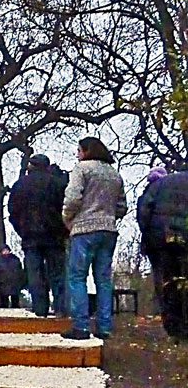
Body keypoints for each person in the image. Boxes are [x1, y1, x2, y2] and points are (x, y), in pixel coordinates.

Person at [62, 136, 127, 340]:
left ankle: (81, 326)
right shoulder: (114, 174)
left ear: (86, 151)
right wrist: (109, 216)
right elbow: (122, 207)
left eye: (79, 150)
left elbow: (73, 198)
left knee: (77, 276)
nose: (77, 154)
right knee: (103, 279)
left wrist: (67, 217)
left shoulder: (81, 169)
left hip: (83, 229)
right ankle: (104, 327)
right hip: (108, 230)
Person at [8, 153, 69, 317]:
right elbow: (67, 208)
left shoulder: (19, 185)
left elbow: (12, 212)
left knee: (35, 275)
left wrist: (21, 230)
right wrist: (64, 230)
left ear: (31, 166)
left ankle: (40, 309)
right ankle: (61, 309)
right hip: (55, 236)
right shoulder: (57, 184)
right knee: (58, 274)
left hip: (30, 237)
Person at [137, 167, 188, 339]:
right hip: (185, 238)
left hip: (160, 238)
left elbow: (144, 211)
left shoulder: (158, 184)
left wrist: (147, 234)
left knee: (165, 279)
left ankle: (173, 327)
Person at [136, 166, 169, 311]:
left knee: (158, 273)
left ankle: (160, 308)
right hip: (175, 238)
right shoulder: (170, 192)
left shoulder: (148, 193)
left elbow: (142, 216)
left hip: (154, 240)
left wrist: (147, 232)